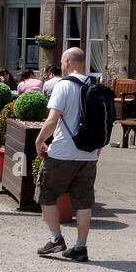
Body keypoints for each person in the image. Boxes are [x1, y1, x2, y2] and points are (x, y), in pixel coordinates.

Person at [35, 48, 99, 261]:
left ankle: (56, 239)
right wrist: (96, 150)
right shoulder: (96, 86)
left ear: (68, 63)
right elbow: (104, 125)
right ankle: (80, 247)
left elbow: (52, 120)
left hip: (63, 152)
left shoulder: (63, 85)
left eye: (63, 60)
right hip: (89, 154)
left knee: (46, 193)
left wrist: (39, 140)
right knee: (83, 201)